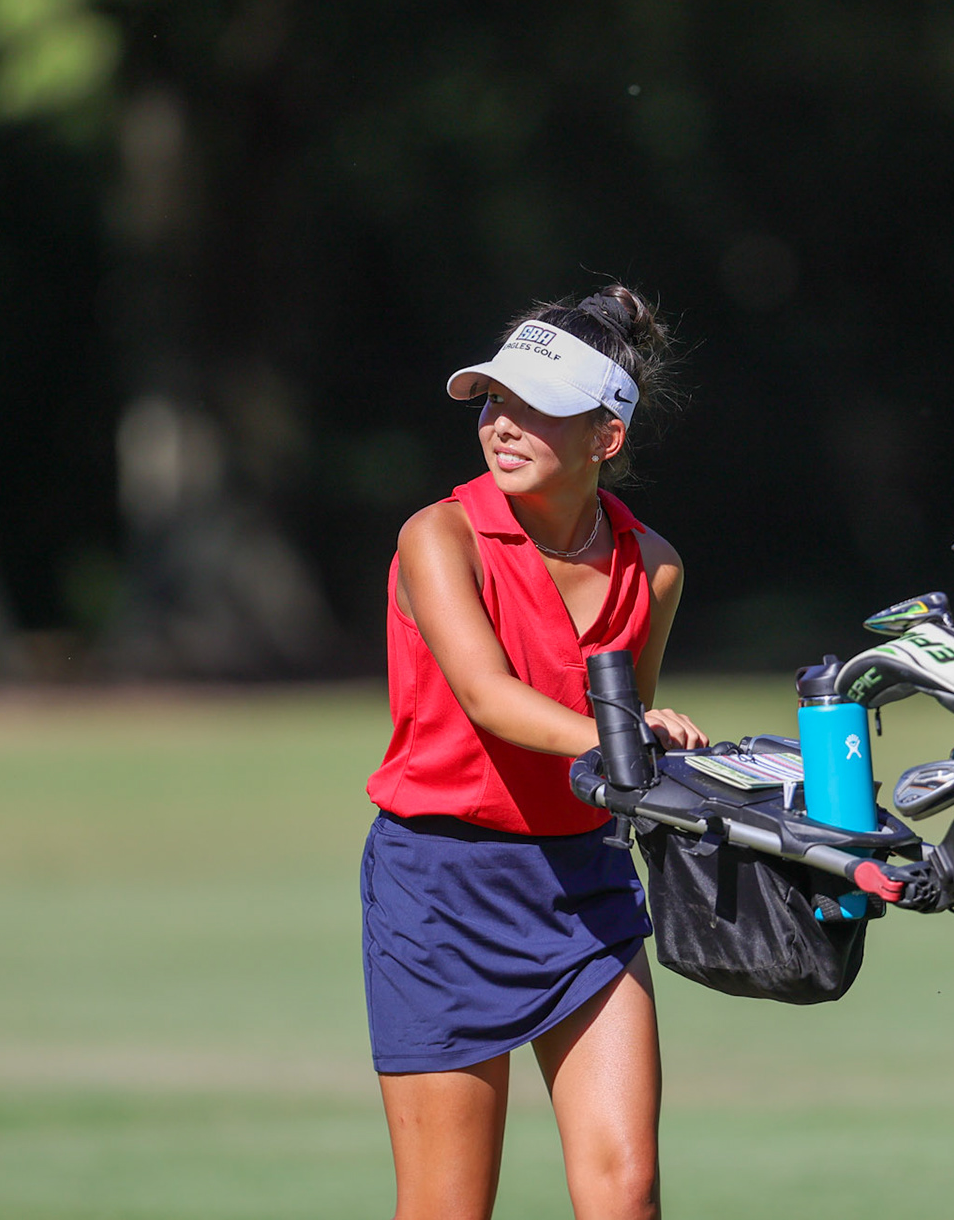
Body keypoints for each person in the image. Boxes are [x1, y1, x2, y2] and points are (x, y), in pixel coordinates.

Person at [361, 284, 706, 1220]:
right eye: (493, 402)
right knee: (447, 1207)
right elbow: (491, 698)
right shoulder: (440, 535)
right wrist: (623, 732)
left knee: (625, 1193)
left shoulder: (656, 566)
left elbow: (620, 734)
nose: (502, 426)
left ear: (607, 436)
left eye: (535, 409)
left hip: (586, 888)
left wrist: (661, 746)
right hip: (440, 891)